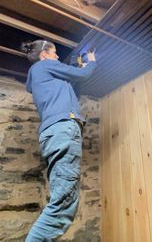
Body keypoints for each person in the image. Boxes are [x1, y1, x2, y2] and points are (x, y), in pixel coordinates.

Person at [21, 39, 96, 242]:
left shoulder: (41, 78)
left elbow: (72, 85)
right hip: (63, 130)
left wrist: (75, 66)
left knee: (62, 199)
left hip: (53, 134)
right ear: (44, 54)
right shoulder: (45, 65)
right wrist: (91, 61)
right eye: (54, 53)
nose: (56, 57)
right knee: (63, 204)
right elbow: (84, 73)